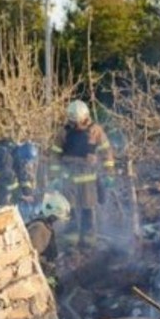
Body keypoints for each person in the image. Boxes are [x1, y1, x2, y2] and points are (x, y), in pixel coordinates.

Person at [49, 100, 115, 248]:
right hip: (69, 177)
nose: (77, 124)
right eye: (74, 121)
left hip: (88, 177)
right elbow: (55, 155)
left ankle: (88, 242)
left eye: (80, 121)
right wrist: (54, 178)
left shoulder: (95, 131)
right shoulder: (63, 132)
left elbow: (106, 151)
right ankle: (70, 241)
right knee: (69, 209)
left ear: (86, 117)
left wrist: (109, 174)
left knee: (88, 208)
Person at [21, 191, 71, 286]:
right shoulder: (40, 229)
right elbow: (31, 257)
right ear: (52, 217)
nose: (60, 224)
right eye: (58, 219)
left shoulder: (45, 227)